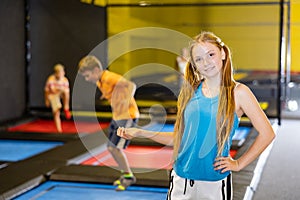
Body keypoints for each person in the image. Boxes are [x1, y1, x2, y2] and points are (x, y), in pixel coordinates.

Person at [117, 31, 275, 199]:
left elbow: (267, 133)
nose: (206, 62)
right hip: (181, 180)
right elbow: (180, 138)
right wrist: (142, 132)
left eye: (211, 54)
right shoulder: (190, 92)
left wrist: (238, 164)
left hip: (213, 183)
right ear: (194, 65)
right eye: (199, 59)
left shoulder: (238, 93)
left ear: (222, 53)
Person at [77, 55, 140, 191]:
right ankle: (126, 174)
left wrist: (125, 101)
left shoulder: (109, 77)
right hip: (117, 117)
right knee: (111, 148)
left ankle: (129, 177)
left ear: (95, 71)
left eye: (88, 76)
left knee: (115, 148)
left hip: (127, 116)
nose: (87, 80)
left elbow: (131, 85)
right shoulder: (100, 81)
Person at [44, 64, 71, 133]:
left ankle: (66, 107)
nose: (61, 74)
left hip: (61, 94)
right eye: (59, 73)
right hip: (53, 95)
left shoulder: (65, 80)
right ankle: (59, 130)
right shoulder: (51, 79)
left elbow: (66, 92)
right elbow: (47, 91)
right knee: (56, 112)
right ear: (55, 73)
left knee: (65, 91)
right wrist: (47, 100)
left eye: (62, 72)